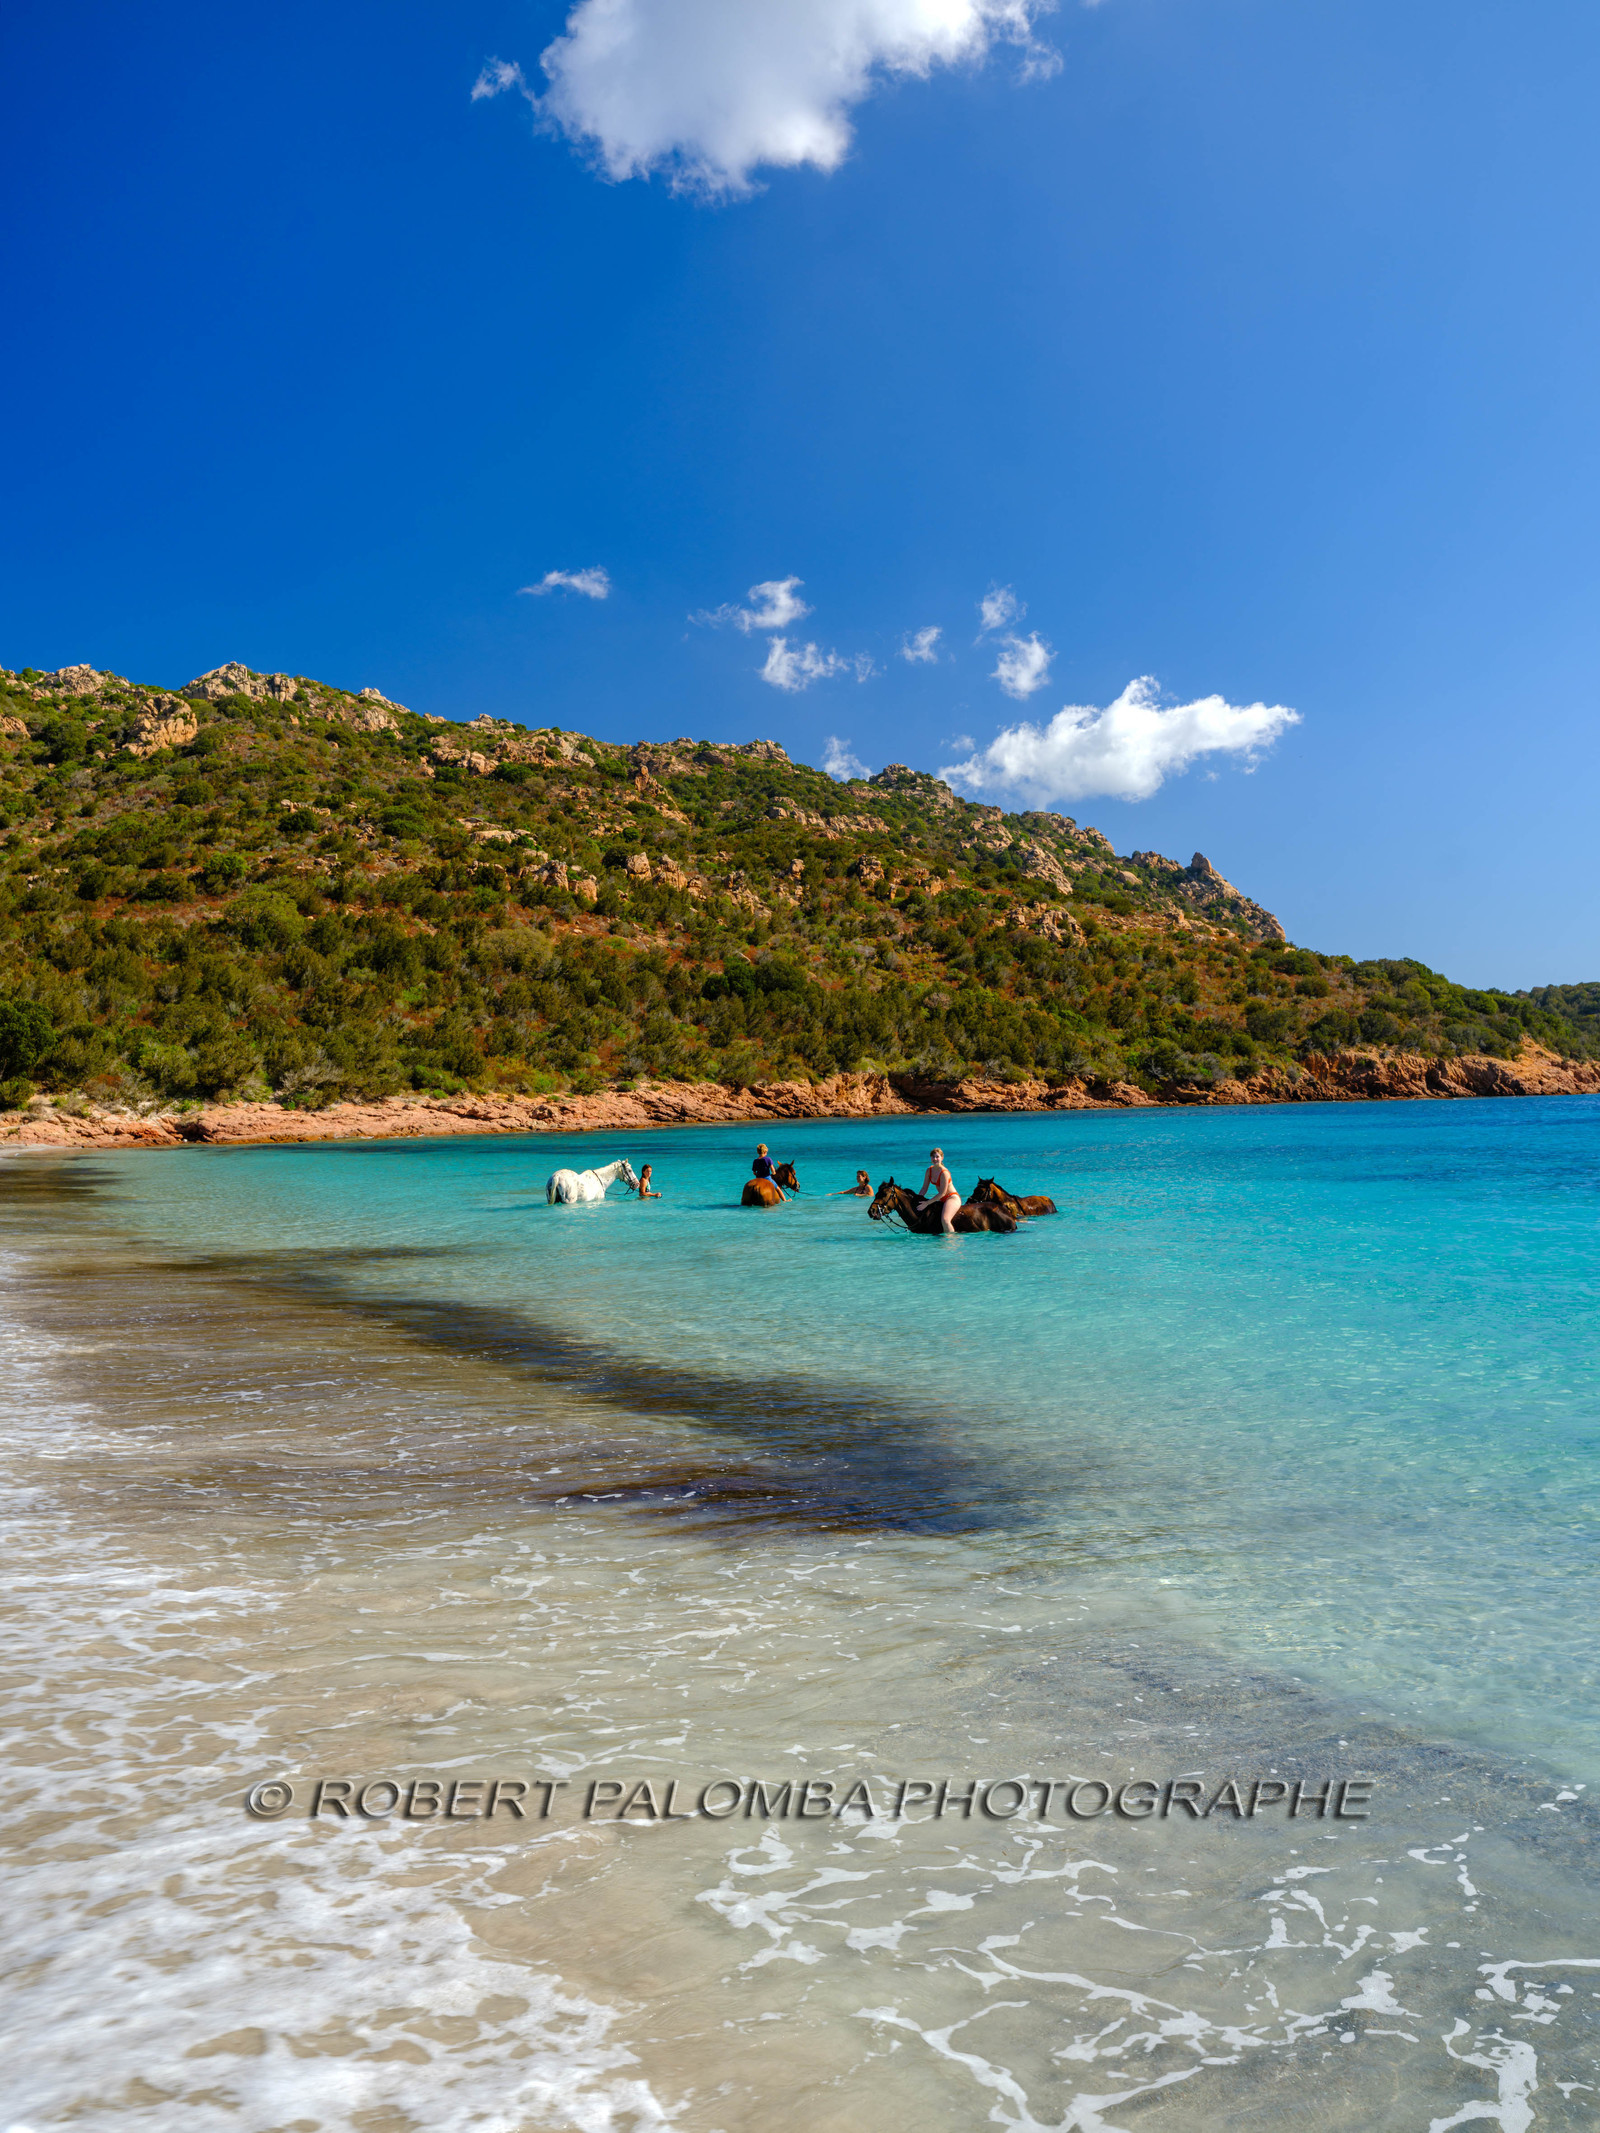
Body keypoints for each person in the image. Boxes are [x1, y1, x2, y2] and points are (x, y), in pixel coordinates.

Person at [915, 1147, 962, 1234]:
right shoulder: (929, 1170)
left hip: (952, 1198)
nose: (935, 1159)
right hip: (942, 1199)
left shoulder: (944, 1173)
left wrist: (927, 1203)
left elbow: (942, 1193)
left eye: (937, 1157)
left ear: (942, 1158)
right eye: (933, 1157)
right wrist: (917, 1199)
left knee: (945, 1219)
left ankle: (951, 1242)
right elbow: (924, 1188)